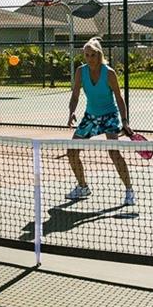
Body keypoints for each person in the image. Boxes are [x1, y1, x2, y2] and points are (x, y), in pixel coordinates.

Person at [65, 37, 136, 207]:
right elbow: (75, 95)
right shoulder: (80, 72)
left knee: (114, 152)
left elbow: (119, 98)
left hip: (109, 116)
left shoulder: (109, 73)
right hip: (90, 117)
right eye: (87, 55)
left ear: (99, 55)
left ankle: (129, 190)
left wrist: (125, 122)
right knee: (71, 151)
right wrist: (72, 112)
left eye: (93, 55)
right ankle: (83, 187)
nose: (90, 59)